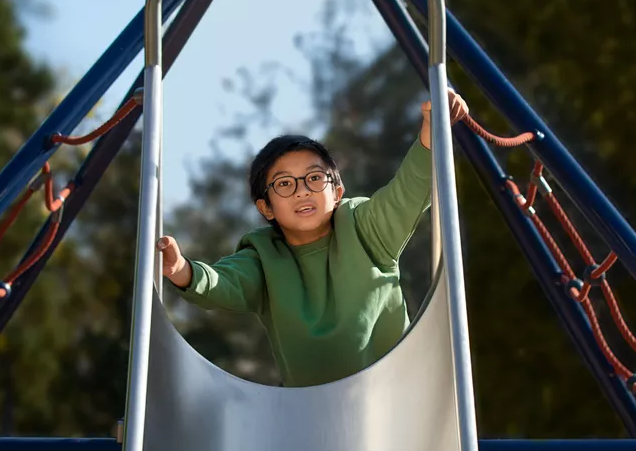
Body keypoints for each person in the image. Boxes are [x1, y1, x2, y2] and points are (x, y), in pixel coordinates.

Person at [157, 92, 469, 387]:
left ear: (337, 191)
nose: (302, 190)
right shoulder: (264, 256)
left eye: (315, 178)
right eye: (284, 183)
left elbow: (409, 191)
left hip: (394, 399)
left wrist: (433, 127)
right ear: (265, 207)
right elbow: (223, 283)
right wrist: (180, 269)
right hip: (312, 416)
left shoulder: (364, 228)